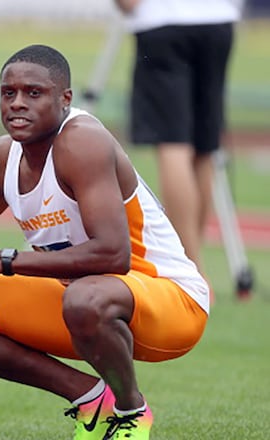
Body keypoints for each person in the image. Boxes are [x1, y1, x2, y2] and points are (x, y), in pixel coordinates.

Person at [0, 44, 209, 439]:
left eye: (33, 93)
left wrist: (5, 259)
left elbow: (113, 254)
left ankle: (130, 411)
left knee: (85, 298)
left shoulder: (82, 143)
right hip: (81, 301)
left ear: (64, 98)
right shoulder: (0, 159)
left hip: (169, 302)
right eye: (9, 93)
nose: (18, 104)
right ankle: (91, 400)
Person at [115, 0, 240, 280]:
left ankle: (190, 269)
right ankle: (194, 264)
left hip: (163, 22)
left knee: (173, 145)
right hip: (218, 21)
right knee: (204, 147)